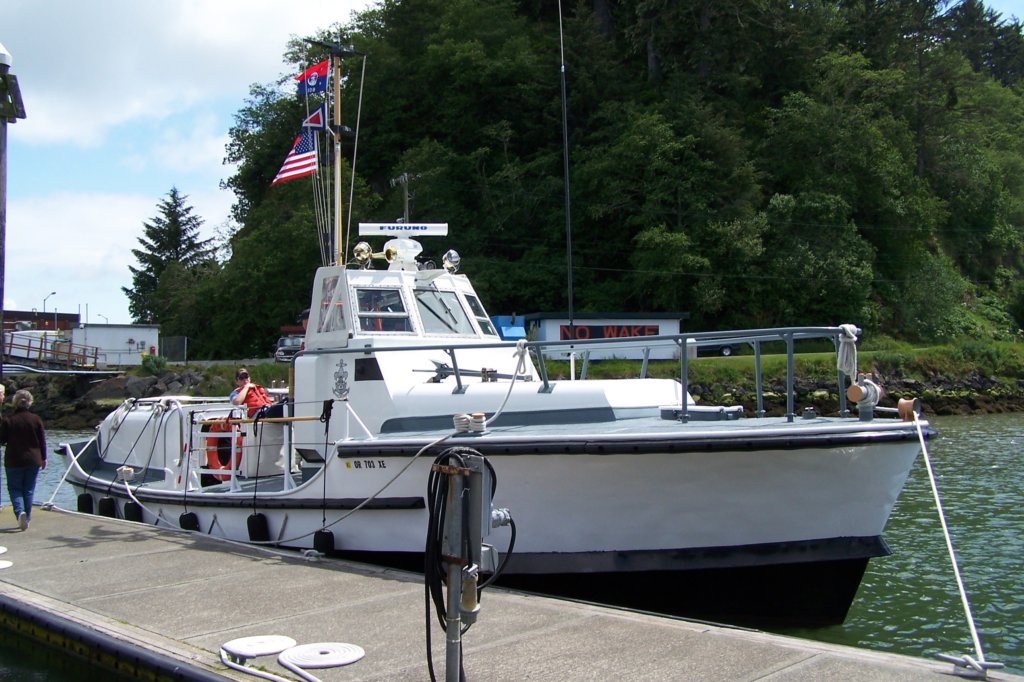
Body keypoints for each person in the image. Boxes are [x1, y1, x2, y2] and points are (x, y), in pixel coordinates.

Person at [0, 389, 47, 531]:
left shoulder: (8, 420)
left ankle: (20, 512)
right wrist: (44, 458)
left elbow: (2, 440)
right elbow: (42, 441)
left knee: (14, 489)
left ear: (14, 403)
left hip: (13, 459)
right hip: (33, 459)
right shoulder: (36, 419)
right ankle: (27, 518)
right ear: (30, 402)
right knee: (29, 489)